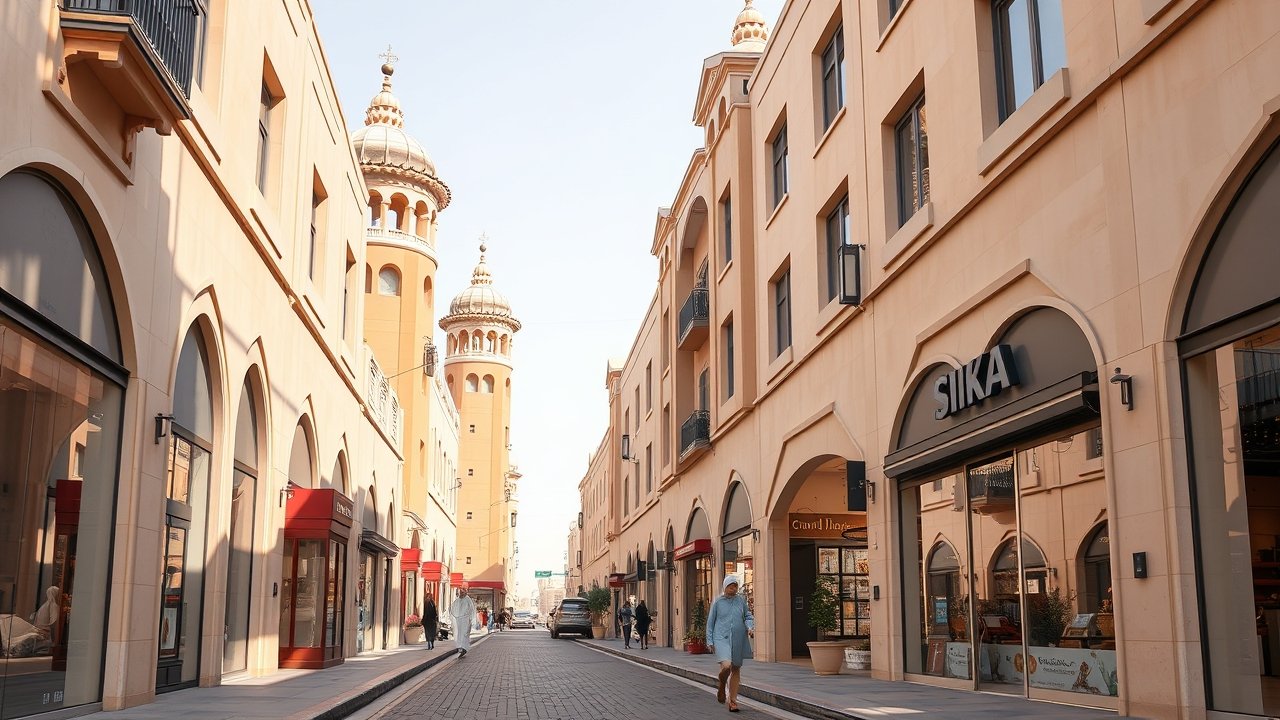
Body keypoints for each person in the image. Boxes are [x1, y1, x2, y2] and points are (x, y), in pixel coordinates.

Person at [706, 574, 754, 713]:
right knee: (726, 665)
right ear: (725, 586)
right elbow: (710, 623)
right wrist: (710, 640)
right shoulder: (718, 602)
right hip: (721, 637)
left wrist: (750, 627)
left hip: (738, 638)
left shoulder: (741, 600)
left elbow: (747, 616)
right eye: (731, 586)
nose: (733, 589)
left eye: (735, 587)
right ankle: (722, 684)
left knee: (736, 668)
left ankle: (732, 701)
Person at [450, 587, 476, 657]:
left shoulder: (468, 600)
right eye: (460, 592)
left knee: (465, 633)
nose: (461, 594)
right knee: (459, 633)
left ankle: (464, 647)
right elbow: (453, 608)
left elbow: (472, 610)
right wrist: (454, 616)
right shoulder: (458, 600)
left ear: (465, 593)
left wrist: (471, 619)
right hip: (458, 619)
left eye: (462, 592)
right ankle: (460, 647)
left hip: (466, 619)